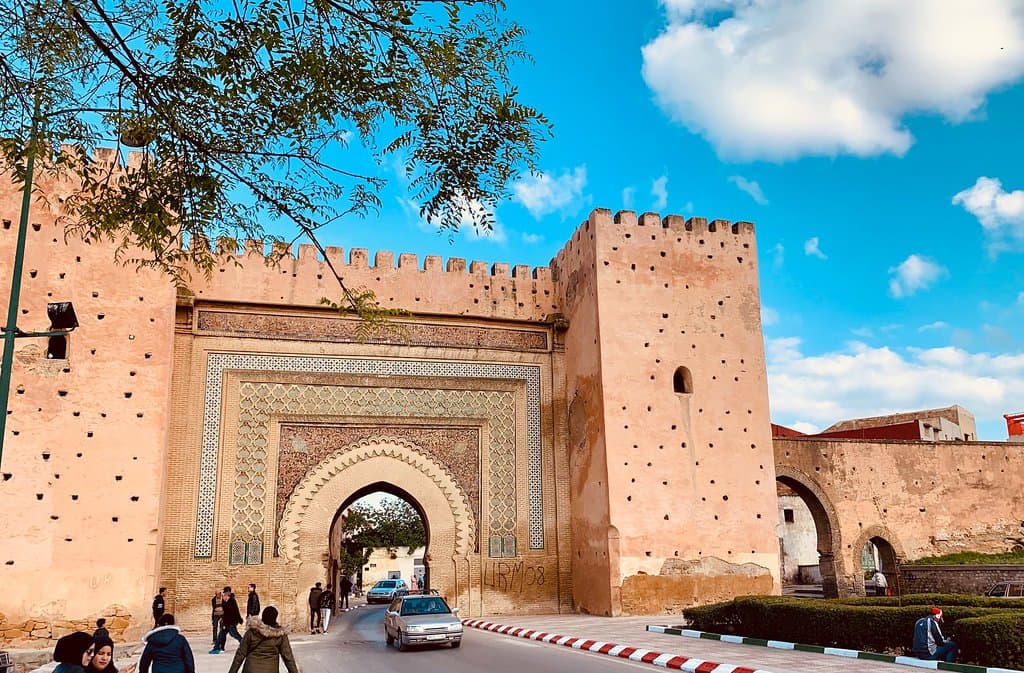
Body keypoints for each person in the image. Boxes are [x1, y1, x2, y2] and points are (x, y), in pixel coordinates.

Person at [226, 607, 298, 673]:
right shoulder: (280, 635)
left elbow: (240, 655)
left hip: (250, 670)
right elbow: (288, 658)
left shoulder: (251, 632)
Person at [211, 587, 244, 654]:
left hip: (231, 623)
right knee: (221, 634)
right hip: (227, 622)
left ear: (226, 594)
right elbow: (225, 613)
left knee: (234, 634)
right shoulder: (226, 602)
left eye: (223, 595)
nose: (222, 596)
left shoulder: (231, 601)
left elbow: (234, 612)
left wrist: (239, 619)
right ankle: (216, 648)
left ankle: (245, 644)